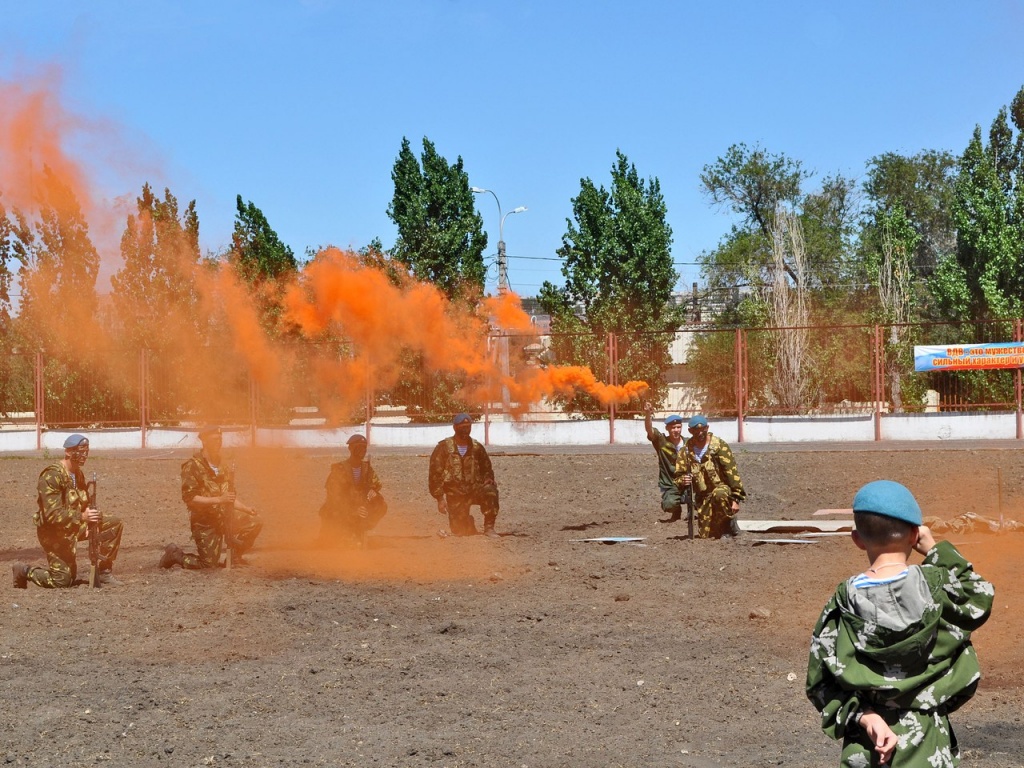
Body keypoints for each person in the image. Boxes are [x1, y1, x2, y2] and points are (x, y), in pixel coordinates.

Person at [806, 480, 994, 767]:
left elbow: (820, 682)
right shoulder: (938, 587)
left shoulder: (842, 603)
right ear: (914, 535)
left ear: (857, 539)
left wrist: (865, 717)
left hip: (867, 744)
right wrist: (935, 550)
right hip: (930, 741)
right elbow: (979, 596)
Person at [12, 434, 124, 588]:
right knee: (63, 580)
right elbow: (52, 515)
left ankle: (104, 572)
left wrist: (91, 522)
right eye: (80, 451)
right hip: (54, 534)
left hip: (73, 525)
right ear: (68, 452)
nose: (84, 455)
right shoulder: (52, 475)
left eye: (86, 451)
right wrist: (82, 517)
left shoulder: (78, 474)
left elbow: (82, 502)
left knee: (114, 523)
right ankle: (24, 571)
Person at [159, 426, 262, 569]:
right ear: (205, 442)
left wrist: (246, 509)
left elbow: (229, 497)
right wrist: (219, 500)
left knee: (254, 522)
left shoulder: (223, 466)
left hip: (225, 516)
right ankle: (175, 555)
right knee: (208, 565)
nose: (218, 443)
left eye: (220, 440)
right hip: (205, 522)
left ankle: (235, 557)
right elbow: (190, 498)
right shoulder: (192, 466)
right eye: (215, 440)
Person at [428, 413, 499, 537]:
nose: (466, 430)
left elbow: (486, 468)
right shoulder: (444, 448)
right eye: (462, 426)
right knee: (460, 532)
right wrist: (440, 499)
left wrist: (488, 478)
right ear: (455, 427)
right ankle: (467, 522)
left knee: (490, 490)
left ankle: (489, 528)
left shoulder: (477, 448)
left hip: (474, 489)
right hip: (455, 494)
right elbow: (435, 474)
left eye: (468, 426)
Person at [679, 414, 745, 538]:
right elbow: (678, 476)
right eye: (696, 430)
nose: (700, 433)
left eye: (702, 429)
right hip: (703, 497)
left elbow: (732, 473)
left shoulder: (719, 446)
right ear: (690, 431)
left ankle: (729, 525)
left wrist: (736, 499)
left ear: (707, 428)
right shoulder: (686, 451)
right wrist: (683, 480)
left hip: (722, 491)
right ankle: (719, 524)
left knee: (719, 494)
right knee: (706, 535)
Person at [316, 434, 387, 548]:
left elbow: (376, 485)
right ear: (350, 448)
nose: (362, 450)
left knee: (380, 503)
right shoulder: (340, 470)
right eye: (358, 447)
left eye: (364, 447)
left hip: (360, 508)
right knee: (334, 544)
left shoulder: (367, 469)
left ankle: (360, 529)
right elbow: (334, 497)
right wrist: (353, 509)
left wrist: (372, 493)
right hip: (341, 511)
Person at [643, 402, 689, 522]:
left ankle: (692, 511)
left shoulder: (689, 443)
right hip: (670, 483)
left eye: (678, 427)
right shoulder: (661, 441)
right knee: (669, 504)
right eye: (673, 427)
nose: (676, 430)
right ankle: (676, 510)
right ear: (667, 428)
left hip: (688, 482)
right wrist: (648, 414)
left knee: (699, 495)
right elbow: (649, 430)